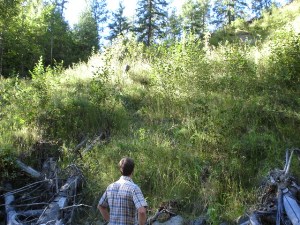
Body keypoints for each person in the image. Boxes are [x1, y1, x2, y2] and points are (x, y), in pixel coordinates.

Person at [98, 157, 147, 225]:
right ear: (133, 170)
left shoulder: (110, 187)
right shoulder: (134, 188)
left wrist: (110, 221)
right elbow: (142, 211)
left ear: (120, 170)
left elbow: (101, 206)